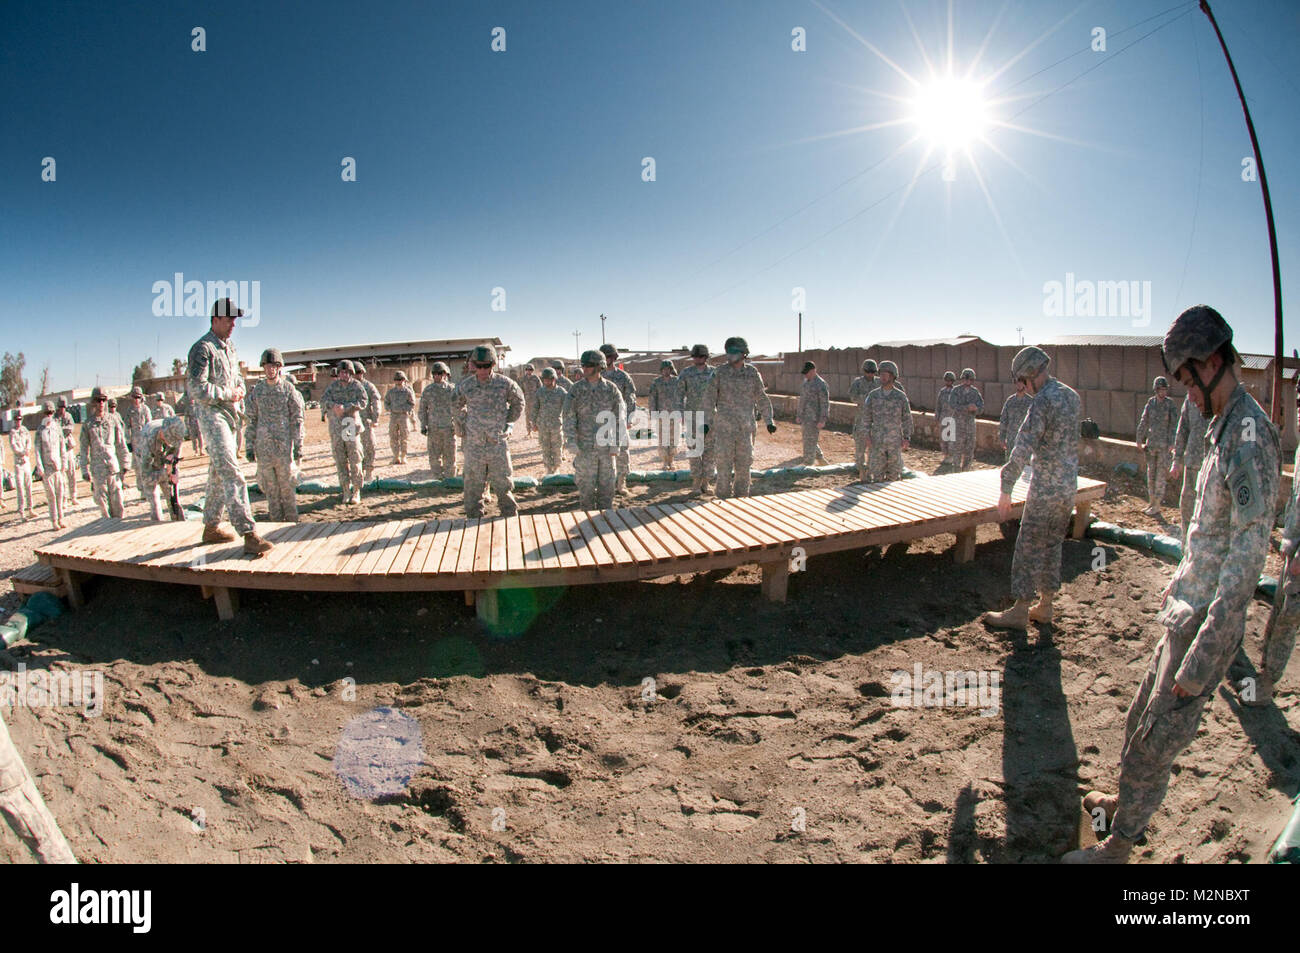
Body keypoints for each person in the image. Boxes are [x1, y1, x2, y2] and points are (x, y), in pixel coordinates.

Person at [1065, 305, 1281, 862]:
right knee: (1141, 720)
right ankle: (1123, 803)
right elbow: (1208, 532)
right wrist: (1180, 581)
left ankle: (1119, 846)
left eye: (1188, 382)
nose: (1187, 395)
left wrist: (1202, 659)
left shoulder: (1250, 437)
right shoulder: (1223, 425)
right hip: (1186, 611)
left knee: (1156, 741)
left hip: (1206, 629)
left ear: (1213, 363)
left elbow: (1245, 558)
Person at [983, 346, 1080, 631]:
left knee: (1027, 547)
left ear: (1028, 374)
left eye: (1022, 381)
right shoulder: (1071, 396)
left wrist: (1006, 486)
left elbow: (1023, 445)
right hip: (1067, 487)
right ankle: (1046, 606)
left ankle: (1021, 609)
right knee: (1052, 545)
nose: (1023, 386)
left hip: (1045, 489)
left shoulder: (1042, 401)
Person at [186, 297, 273, 554]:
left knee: (218, 472)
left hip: (230, 416)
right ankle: (248, 533)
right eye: (228, 319)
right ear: (215, 320)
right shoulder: (202, 349)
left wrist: (239, 390)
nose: (233, 323)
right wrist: (227, 393)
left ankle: (211, 526)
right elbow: (196, 388)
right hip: (212, 417)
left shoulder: (229, 347)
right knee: (232, 471)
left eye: (235, 319)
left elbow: (236, 379)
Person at [1254, 442, 1300, 706]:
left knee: (1287, 620)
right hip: (1292, 553)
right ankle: (1263, 678)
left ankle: (1266, 687)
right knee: (1279, 613)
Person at [455, 345, 523, 518]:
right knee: (472, 486)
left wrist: (507, 421)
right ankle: (473, 521)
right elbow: (455, 405)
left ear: (493, 364)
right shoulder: (466, 386)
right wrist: (464, 424)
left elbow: (519, 403)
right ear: (473, 365)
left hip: (497, 443)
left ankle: (509, 518)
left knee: (504, 485)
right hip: (474, 445)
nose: (482, 370)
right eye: (478, 366)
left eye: (486, 366)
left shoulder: (504, 384)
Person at [703, 337, 775, 499]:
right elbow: (709, 398)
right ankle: (722, 500)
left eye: (734, 352)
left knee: (744, 468)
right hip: (724, 430)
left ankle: (742, 501)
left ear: (743, 353)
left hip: (745, 430)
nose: (730, 355)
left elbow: (761, 397)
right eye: (728, 352)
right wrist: (706, 422)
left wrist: (769, 420)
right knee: (723, 468)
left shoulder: (751, 373)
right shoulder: (719, 373)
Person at [245, 348, 304, 522]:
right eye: (267, 366)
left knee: (287, 489)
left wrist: (298, 446)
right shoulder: (257, 391)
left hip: (283, 449)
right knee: (270, 490)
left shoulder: (288, 389)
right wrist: (249, 445)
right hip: (264, 450)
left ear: (279, 367)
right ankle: (275, 524)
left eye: (274, 366)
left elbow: (297, 419)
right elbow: (251, 420)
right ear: (263, 368)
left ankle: (292, 523)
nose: (270, 369)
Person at [563, 350, 625, 510]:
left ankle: (606, 524)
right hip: (584, 449)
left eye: (588, 366)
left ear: (599, 367)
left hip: (606, 449)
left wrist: (616, 444)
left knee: (607, 489)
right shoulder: (576, 390)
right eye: (583, 365)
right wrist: (571, 441)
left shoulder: (611, 389)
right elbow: (569, 416)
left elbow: (620, 418)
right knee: (586, 490)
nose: (584, 369)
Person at [320, 360, 368, 505]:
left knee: (355, 460)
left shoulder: (357, 386)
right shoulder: (333, 387)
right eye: (341, 372)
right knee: (340, 460)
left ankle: (356, 491)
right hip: (336, 427)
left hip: (350, 426)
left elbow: (363, 401)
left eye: (346, 372)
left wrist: (346, 407)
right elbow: (323, 400)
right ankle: (346, 490)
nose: (344, 374)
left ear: (351, 373)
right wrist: (333, 406)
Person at [77, 387, 129, 519]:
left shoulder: (113, 420)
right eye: (98, 400)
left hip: (113, 469)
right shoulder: (88, 424)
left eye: (103, 400)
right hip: (98, 472)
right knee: (103, 508)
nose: (101, 403)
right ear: (93, 402)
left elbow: (121, 443)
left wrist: (125, 463)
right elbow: (83, 449)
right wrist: (84, 470)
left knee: (118, 506)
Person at [1136, 375, 1179, 517]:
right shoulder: (1151, 403)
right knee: (1151, 475)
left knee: (1160, 476)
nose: (1163, 392)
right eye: (1161, 389)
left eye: (1165, 389)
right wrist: (1139, 438)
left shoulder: (1170, 405)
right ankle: (1151, 502)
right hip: (1151, 445)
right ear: (1156, 389)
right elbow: (1144, 421)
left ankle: (1157, 505)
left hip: (1164, 447)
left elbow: (1174, 425)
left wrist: (1172, 443)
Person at [1169, 394, 1209, 547]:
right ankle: (1186, 549)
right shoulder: (1191, 398)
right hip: (1192, 463)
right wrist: (1176, 460)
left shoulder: (1220, 398)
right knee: (1187, 506)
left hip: (1214, 467)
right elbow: (1183, 429)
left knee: (1208, 512)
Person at [862, 361, 912, 482]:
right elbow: (866, 417)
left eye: (886, 374)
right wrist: (866, 436)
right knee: (877, 476)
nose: (883, 377)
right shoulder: (873, 395)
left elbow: (907, 418)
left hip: (894, 443)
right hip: (877, 442)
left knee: (894, 477)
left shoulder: (900, 397)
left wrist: (907, 437)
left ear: (893, 376)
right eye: (881, 374)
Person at [677, 344, 716, 495]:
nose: (697, 359)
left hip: (711, 418)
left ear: (706, 357)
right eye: (695, 356)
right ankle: (695, 483)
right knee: (694, 450)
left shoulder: (714, 373)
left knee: (709, 451)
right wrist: (679, 413)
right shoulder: (686, 373)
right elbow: (679, 394)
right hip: (692, 418)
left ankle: (706, 483)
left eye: (700, 356)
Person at [598, 344, 637, 496]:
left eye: (609, 357)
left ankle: (621, 483)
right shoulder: (596, 376)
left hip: (619, 422)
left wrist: (629, 419)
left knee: (622, 454)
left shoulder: (623, 377)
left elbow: (631, 399)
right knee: (601, 455)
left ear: (614, 358)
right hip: (600, 424)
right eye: (604, 356)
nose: (606, 359)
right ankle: (604, 485)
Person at [138, 415, 190, 521]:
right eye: (169, 440)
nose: (171, 443)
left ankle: (176, 519)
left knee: (173, 498)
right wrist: (165, 473)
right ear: (163, 433)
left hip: (163, 464)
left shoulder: (176, 432)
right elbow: (146, 474)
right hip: (149, 467)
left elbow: (175, 456)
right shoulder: (147, 440)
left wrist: (173, 471)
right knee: (155, 503)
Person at [418, 362, 458, 479]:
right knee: (434, 457)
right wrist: (423, 425)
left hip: (449, 429)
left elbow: (459, 408)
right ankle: (437, 478)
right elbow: (422, 409)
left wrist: (458, 425)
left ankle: (450, 479)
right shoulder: (428, 390)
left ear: (445, 374)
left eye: (439, 373)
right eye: (434, 374)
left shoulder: (452, 389)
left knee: (450, 456)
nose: (437, 376)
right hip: (433, 428)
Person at [33, 402, 65, 529]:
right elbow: (37, 449)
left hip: (57, 467)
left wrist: (63, 463)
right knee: (51, 496)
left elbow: (62, 445)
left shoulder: (57, 427)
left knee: (60, 494)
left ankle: (61, 518)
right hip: (47, 468)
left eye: (51, 413)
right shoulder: (40, 430)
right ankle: (54, 521)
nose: (49, 415)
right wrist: (39, 466)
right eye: (47, 413)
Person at [648, 359, 684, 470]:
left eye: (668, 369)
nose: (666, 371)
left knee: (674, 440)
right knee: (663, 440)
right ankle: (664, 462)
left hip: (675, 415)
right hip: (661, 416)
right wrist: (653, 414)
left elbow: (682, 398)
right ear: (661, 370)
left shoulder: (677, 381)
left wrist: (682, 413)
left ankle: (671, 461)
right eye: (664, 369)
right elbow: (652, 399)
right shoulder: (656, 382)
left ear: (671, 369)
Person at [534, 367, 567, 474]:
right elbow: (535, 408)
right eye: (545, 379)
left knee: (557, 448)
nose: (546, 381)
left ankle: (556, 468)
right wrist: (533, 423)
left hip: (556, 426)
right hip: (543, 426)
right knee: (545, 448)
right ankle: (548, 468)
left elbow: (568, 408)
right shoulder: (540, 392)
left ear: (554, 379)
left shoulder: (561, 392)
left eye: (549, 379)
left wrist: (567, 422)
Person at [949, 368, 983, 471]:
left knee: (969, 450)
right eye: (966, 379)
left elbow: (981, 407)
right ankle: (956, 471)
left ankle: (966, 470)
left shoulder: (975, 392)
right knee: (957, 449)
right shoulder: (956, 390)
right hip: (959, 425)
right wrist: (966, 408)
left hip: (970, 426)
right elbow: (952, 404)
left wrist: (976, 409)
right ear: (962, 379)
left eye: (970, 380)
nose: (968, 382)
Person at [850, 359, 879, 481]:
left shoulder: (879, 383)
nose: (870, 374)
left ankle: (871, 471)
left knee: (874, 449)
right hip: (862, 421)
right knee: (860, 449)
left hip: (875, 423)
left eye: (873, 372)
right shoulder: (857, 383)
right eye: (868, 372)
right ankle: (860, 471)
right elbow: (853, 397)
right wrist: (868, 398)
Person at [797, 361, 830, 465]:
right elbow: (802, 400)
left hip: (815, 419)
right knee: (808, 439)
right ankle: (820, 458)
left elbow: (825, 403)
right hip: (805, 418)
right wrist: (799, 415)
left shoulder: (821, 384)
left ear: (813, 371)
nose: (806, 375)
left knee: (809, 442)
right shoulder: (805, 383)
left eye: (807, 372)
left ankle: (808, 464)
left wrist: (822, 420)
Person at [353, 363, 382, 483]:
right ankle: (355, 474)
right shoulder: (346, 386)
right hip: (350, 422)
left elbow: (376, 402)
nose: (358, 375)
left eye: (359, 372)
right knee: (352, 449)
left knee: (369, 446)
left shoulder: (368, 386)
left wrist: (375, 419)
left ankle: (368, 472)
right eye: (355, 373)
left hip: (365, 421)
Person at [123, 387, 152, 500]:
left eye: (138, 397)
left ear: (141, 398)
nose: (136, 400)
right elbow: (126, 427)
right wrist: (128, 442)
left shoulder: (146, 409)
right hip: (135, 443)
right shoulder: (130, 411)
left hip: (146, 442)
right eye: (134, 397)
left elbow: (150, 425)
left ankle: (150, 489)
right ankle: (142, 491)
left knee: (148, 465)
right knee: (138, 468)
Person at [998, 377, 1034, 464]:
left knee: (1025, 466)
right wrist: (1002, 437)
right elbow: (1003, 420)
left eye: (1021, 382)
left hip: (1024, 441)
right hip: (1011, 440)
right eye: (1017, 382)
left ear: (1025, 384)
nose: (1019, 384)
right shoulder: (1010, 401)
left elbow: (1035, 422)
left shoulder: (1031, 402)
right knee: (1010, 464)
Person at [384, 371, 417, 465]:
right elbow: (386, 402)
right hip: (393, 417)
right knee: (393, 437)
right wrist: (390, 409)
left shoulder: (407, 391)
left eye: (401, 380)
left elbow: (412, 403)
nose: (399, 382)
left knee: (404, 437)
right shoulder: (391, 392)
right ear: (394, 381)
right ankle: (395, 456)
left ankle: (403, 456)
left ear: (404, 380)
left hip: (403, 416)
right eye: (397, 380)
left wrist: (404, 410)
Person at [8, 412, 35, 522]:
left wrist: (27, 450)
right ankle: (21, 511)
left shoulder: (24, 430)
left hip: (26, 461)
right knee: (20, 487)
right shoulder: (12, 432)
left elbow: (29, 441)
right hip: (19, 462)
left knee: (29, 486)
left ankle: (30, 508)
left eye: (19, 419)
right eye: (16, 420)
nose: (18, 421)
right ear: (14, 420)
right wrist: (23, 453)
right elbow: (14, 447)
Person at [55, 398, 78, 508]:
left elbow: (71, 428)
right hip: (59, 450)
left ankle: (73, 496)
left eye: (63, 407)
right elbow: (55, 430)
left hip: (68, 448)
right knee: (62, 476)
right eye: (60, 407)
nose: (62, 409)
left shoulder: (68, 416)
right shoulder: (54, 418)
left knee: (72, 474)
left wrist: (62, 430)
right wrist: (63, 430)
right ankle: (64, 498)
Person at [935, 371, 957, 469]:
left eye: (950, 380)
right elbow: (938, 405)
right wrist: (937, 418)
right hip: (943, 417)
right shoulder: (942, 391)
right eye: (947, 380)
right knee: (944, 438)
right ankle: (946, 455)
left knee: (951, 438)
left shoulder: (956, 392)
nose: (948, 382)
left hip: (952, 418)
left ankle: (951, 456)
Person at [520, 364, 540, 435]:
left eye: (530, 370)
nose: (529, 371)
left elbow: (540, 388)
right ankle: (529, 432)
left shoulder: (536, 378)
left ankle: (537, 430)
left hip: (535, 400)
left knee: (536, 415)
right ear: (525, 370)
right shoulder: (523, 379)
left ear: (532, 370)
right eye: (527, 370)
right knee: (528, 416)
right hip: (527, 401)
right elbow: (520, 390)